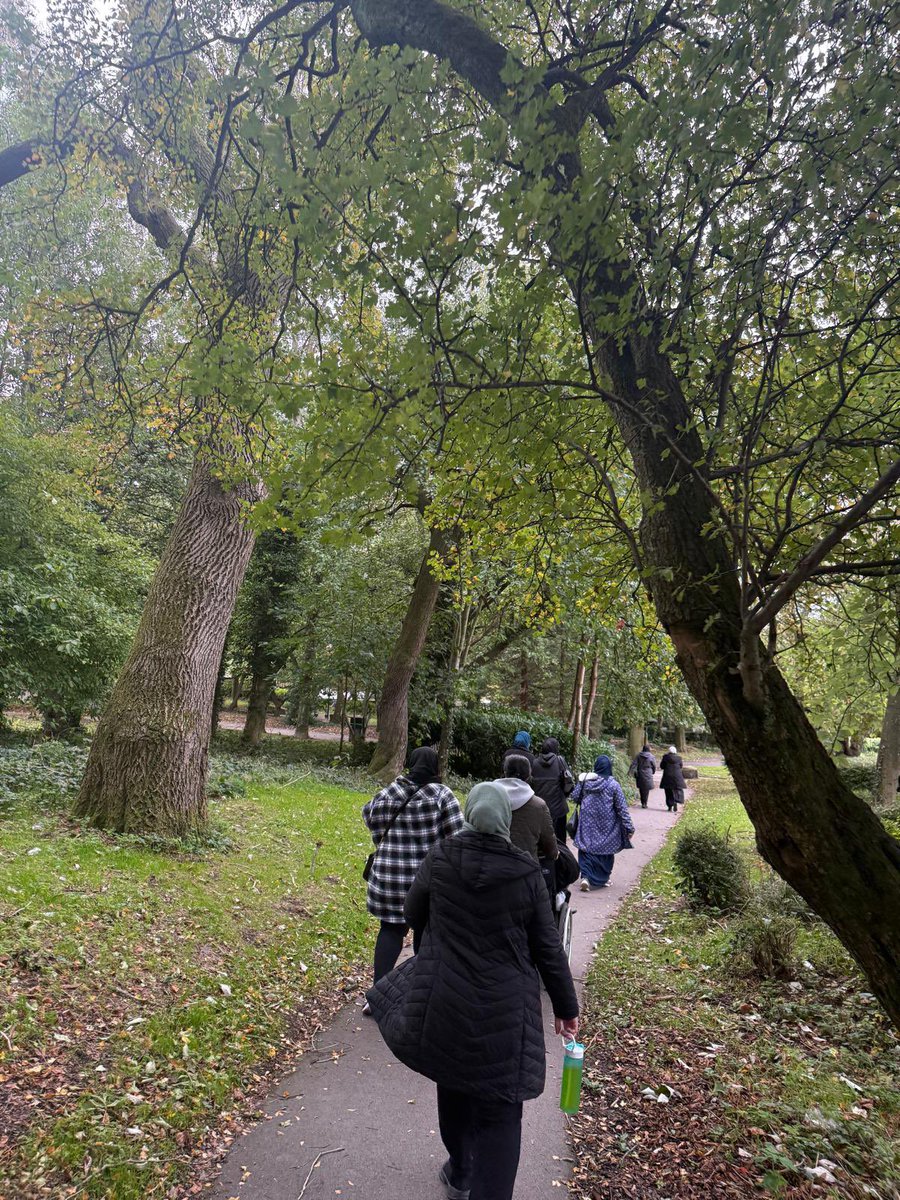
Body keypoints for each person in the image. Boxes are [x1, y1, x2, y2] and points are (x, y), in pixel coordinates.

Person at [366, 781, 579, 1200]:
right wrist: (565, 1006)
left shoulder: (441, 857)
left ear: (469, 814)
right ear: (503, 820)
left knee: (455, 1082)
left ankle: (461, 1170)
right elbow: (547, 948)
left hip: (446, 999)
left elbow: (411, 911)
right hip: (506, 1011)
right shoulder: (524, 871)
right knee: (501, 1112)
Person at [362, 747, 464, 982]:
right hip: (426, 882)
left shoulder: (393, 790)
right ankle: (418, 994)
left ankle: (378, 994)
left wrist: (384, 842)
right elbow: (457, 838)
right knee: (424, 931)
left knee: (390, 929)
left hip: (389, 879)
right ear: (435, 766)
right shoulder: (441, 795)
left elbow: (369, 814)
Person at [571, 754, 635, 890]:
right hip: (607, 825)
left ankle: (586, 877)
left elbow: (575, 797)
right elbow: (621, 808)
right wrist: (629, 827)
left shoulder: (586, 781)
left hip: (587, 822)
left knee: (586, 848)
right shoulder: (613, 785)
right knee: (605, 850)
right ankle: (602, 878)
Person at [494, 753, 558, 864]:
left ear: (505, 773)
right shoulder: (539, 805)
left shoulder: (489, 798)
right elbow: (550, 848)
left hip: (492, 865)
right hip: (527, 868)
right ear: (529, 776)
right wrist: (555, 854)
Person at [531, 736, 575, 841]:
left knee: (541, 840)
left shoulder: (534, 763)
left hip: (539, 809)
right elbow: (569, 782)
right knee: (560, 841)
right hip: (558, 809)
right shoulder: (560, 761)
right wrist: (566, 794)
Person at [628, 743, 657, 808]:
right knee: (646, 789)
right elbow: (654, 765)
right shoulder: (651, 756)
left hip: (640, 772)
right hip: (648, 772)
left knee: (641, 788)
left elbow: (634, 764)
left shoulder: (638, 755)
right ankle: (645, 803)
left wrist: (630, 772)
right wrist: (653, 772)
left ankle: (642, 802)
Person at [660, 744, 686, 812]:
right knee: (677, 790)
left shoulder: (665, 757)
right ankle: (676, 801)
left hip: (667, 776)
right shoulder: (679, 758)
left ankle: (669, 806)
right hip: (677, 777)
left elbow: (662, 766)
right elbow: (681, 766)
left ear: (669, 751)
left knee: (668, 791)